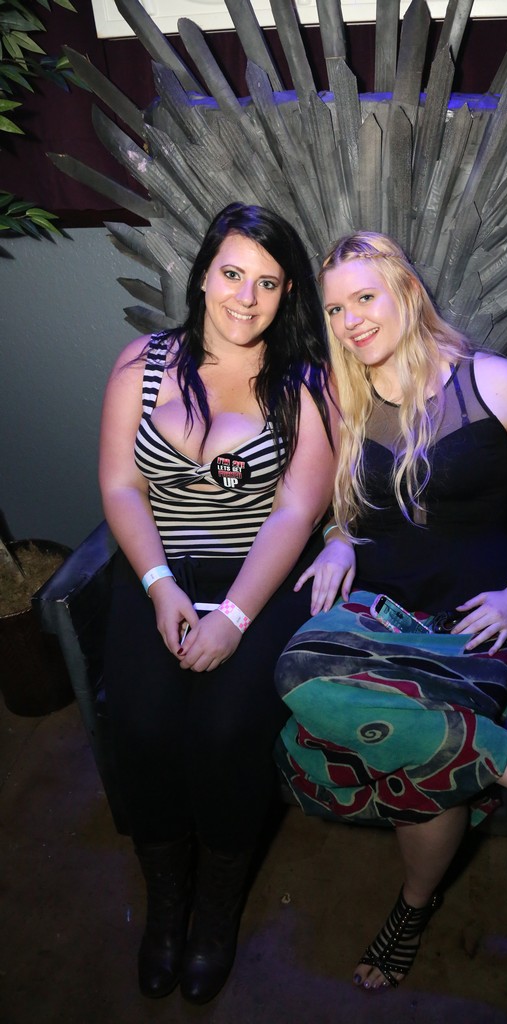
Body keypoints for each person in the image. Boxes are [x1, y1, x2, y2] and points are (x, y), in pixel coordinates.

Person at [274, 231, 507, 991]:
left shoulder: (493, 382)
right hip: (377, 612)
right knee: (295, 667)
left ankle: (411, 909)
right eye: (336, 309)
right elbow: (331, 501)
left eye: (365, 297)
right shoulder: (342, 395)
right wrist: (335, 538)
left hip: (472, 621)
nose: (351, 321)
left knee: (420, 771)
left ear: (406, 291)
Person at [99, 203, 337, 1004]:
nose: (246, 297)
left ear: (287, 293)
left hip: (255, 579)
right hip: (158, 570)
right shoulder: (142, 364)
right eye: (232, 274)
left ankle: (215, 913)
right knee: (140, 724)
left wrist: (233, 618)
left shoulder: (303, 385)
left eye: (267, 283)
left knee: (224, 730)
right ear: (203, 274)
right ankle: (167, 905)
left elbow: (296, 513)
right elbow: (120, 486)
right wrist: (158, 585)